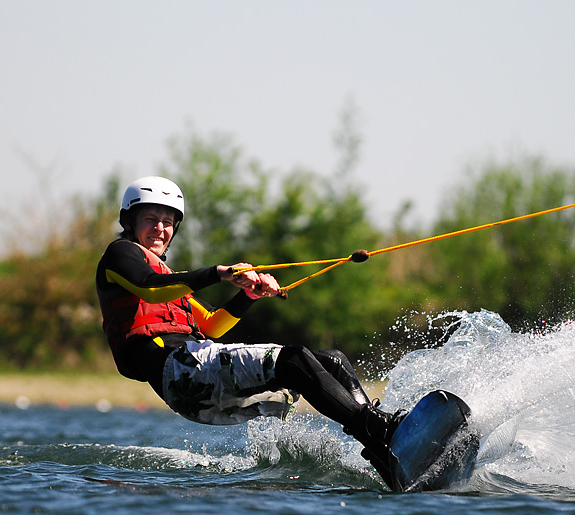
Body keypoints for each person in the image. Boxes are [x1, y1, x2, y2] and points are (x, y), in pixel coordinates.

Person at [95, 176, 405, 488]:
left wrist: (250, 294)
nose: (160, 229)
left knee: (332, 361)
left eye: (167, 222)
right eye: (151, 219)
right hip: (180, 372)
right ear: (129, 221)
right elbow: (148, 289)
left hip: (198, 383)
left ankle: (384, 451)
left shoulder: (174, 283)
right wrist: (219, 273)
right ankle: (379, 431)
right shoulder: (120, 254)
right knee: (293, 359)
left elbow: (213, 325)